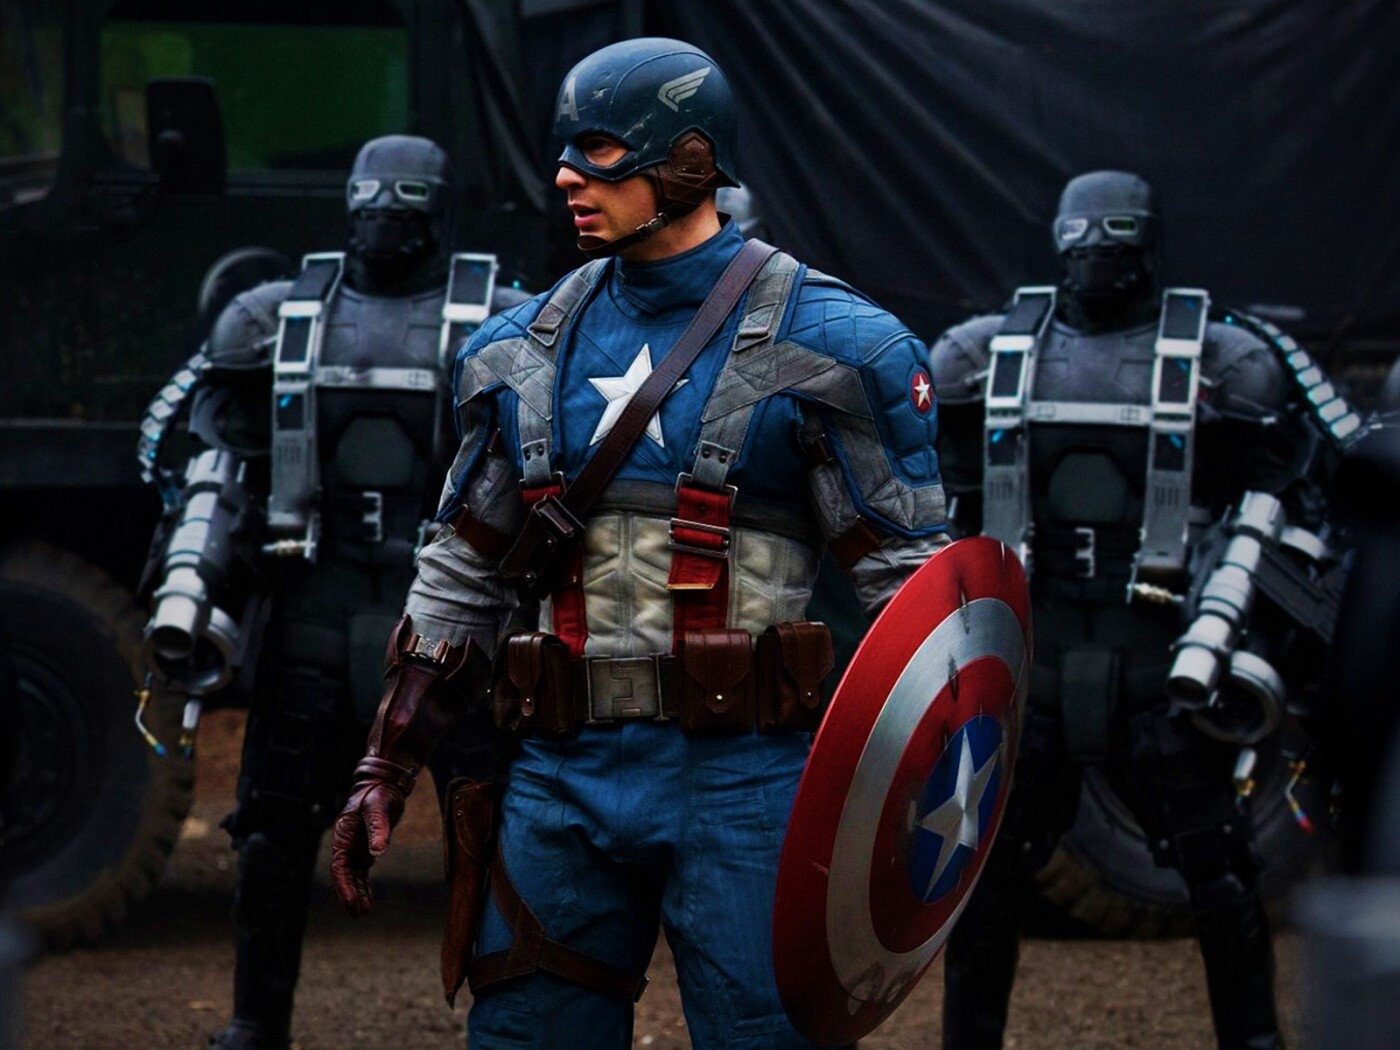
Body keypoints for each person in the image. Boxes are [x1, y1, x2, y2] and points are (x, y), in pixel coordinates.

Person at [328, 38, 950, 1049]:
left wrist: (937, 789)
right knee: (527, 1036)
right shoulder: (514, 351)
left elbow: (911, 596)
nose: (567, 176)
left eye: (602, 150)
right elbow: (464, 569)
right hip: (558, 772)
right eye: (564, 151)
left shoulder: (840, 348)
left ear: (691, 162)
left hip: (748, 780)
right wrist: (383, 765)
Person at [929, 170, 1349, 1050]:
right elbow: (944, 499)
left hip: (1162, 665)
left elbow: (1277, 492)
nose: (1096, 251)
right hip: (1038, 665)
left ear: (1146, 243)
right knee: (986, 883)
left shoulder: (1224, 358)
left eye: (1113, 235)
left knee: (1221, 878)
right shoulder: (986, 353)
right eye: (1086, 234)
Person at [138, 135, 525, 1050]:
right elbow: (214, 467)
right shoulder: (275, 317)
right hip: (317, 600)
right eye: (374, 197)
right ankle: (254, 1023)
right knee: (271, 831)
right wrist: (187, 591)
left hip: (455, 614)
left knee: (497, 835)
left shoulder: (502, 319)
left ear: (436, 209)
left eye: (404, 198)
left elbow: (543, 476)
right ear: (350, 201)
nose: (385, 213)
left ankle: (515, 1024)